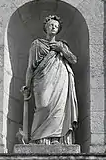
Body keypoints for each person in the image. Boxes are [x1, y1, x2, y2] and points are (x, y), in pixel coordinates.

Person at [25, 15, 78, 144]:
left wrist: (62, 50)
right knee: (43, 106)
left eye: (56, 26)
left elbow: (74, 60)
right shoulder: (37, 44)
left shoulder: (62, 45)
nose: (53, 27)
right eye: (51, 25)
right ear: (46, 28)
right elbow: (30, 67)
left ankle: (57, 138)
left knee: (59, 108)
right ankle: (38, 138)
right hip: (42, 78)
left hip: (61, 78)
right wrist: (27, 86)